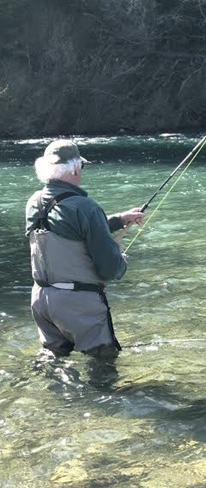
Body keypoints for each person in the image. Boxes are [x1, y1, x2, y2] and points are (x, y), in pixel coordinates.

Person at [25, 139, 144, 359]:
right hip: (78, 304)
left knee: (53, 362)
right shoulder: (85, 207)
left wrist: (119, 220)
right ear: (74, 169)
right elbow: (110, 269)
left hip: (41, 300)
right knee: (103, 364)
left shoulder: (35, 202)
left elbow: (65, 228)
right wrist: (121, 260)